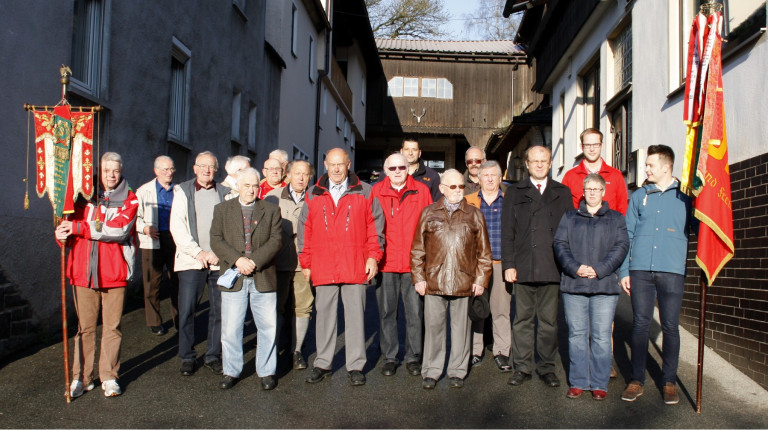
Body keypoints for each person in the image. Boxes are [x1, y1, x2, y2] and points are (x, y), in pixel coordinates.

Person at [298, 148, 384, 386]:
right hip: (323, 265)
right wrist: (306, 262)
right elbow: (305, 230)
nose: (336, 169)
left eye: (340, 164)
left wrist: (373, 257)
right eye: (332, 164)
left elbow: (375, 228)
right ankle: (323, 363)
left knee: (356, 318)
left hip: (355, 264)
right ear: (325, 164)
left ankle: (355, 365)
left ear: (348, 164)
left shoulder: (365, 191)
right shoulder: (313, 194)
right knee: (324, 317)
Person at [56, 152, 138, 398]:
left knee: (112, 328)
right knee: (85, 328)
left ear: (121, 171)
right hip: (82, 272)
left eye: (115, 170)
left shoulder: (130, 199)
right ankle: (81, 378)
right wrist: (61, 233)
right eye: (105, 171)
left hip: (114, 273)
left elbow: (118, 229)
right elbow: (67, 227)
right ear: (98, 171)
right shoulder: (80, 197)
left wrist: (79, 227)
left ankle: (110, 377)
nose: (110, 175)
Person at [619, 145, 693, 405]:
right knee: (640, 324)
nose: (646, 169)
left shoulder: (686, 195)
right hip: (640, 270)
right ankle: (636, 379)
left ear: (666, 167)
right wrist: (625, 270)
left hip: (672, 270)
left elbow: (700, 229)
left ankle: (669, 380)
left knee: (671, 326)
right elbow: (627, 233)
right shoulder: (640, 196)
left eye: (650, 165)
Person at [410, 169, 493, 389]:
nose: (458, 191)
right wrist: (418, 278)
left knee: (461, 330)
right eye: (453, 186)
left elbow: (484, 253)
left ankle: (457, 370)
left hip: (464, 280)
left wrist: (480, 280)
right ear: (442, 188)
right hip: (433, 281)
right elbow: (417, 249)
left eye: (461, 187)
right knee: (434, 328)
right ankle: (431, 370)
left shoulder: (474, 214)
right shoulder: (428, 212)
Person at [553, 173, 629, 400]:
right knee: (576, 334)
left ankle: (599, 383)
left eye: (597, 189)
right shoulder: (569, 217)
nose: (593, 193)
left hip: (604, 286)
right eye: (588, 189)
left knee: (601, 336)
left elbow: (622, 246)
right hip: (574, 284)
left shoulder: (616, 218)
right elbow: (560, 244)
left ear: (604, 192)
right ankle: (578, 381)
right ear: (583, 192)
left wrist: (601, 269)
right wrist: (574, 267)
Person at [501, 145, 572, 388]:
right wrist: (508, 264)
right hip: (522, 266)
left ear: (550, 163)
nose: (540, 165)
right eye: (535, 161)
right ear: (527, 165)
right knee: (522, 320)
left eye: (544, 161)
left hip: (552, 265)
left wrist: (568, 265)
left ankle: (547, 367)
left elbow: (569, 232)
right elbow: (507, 231)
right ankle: (522, 366)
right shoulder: (514, 192)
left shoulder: (562, 192)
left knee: (549, 322)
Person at [210, 167, 282, 391]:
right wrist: (237, 260)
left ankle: (267, 371)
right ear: (237, 186)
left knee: (268, 327)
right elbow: (216, 239)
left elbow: (276, 241)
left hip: (263, 276)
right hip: (234, 276)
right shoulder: (222, 210)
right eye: (247, 185)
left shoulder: (271, 210)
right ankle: (231, 370)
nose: (251, 190)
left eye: (255, 186)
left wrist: (254, 261)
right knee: (231, 329)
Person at [370, 153, 433, 377]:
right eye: (393, 168)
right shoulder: (375, 191)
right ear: (385, 170)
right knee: (387, 312)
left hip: (413, 264)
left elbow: (429, 228)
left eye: (402, 167)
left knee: (415, 313)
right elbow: (369, 227)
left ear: (409, 169)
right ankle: (390, 356)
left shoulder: (422, 191)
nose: (398, 171)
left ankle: (414, 356)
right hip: (385, 263)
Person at [170, 151, 230, 377]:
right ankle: (187, 355)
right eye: (202, 166)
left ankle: (213, 355)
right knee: (187, 310)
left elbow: (229, 228)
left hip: (218, 261)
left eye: (211, 166)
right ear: (194, 168)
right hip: (190, 261)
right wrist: (199, 253)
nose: (206, 170)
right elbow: (177, 227)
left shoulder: (225, 193)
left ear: (217, 170)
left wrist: (216, 253)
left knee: (219, 311)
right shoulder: (182, 191)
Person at [264, 160, 315, 370]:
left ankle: (297, 351)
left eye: (305, 174)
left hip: (303, 264)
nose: (301, 178)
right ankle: (272, 350)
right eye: (297, 173)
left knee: (303, 307)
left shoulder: (316, 198)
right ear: (288, 175)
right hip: (278, 263)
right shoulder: (272, 198)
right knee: (275, 307)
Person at [465, 160, 513, 372]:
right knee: (477, 309)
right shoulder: (468, 201)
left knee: (501, 309)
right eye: (486, 175)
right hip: (476, 265)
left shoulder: (509, 201)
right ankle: (475, 350)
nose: (490, 179)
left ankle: (502, 351)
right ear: (479, 178)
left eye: (494, 175)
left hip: (502, 263)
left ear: (500, 178)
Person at [135, 155, 179, 336]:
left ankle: (179, 319)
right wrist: (145, 228)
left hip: (174, 239)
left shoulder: (179, 190)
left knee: (177, 281)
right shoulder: (143, 191)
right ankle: (154, 321)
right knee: (152, 282)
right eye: (164, 169)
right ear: (156, 171)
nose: (169, 173)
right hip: (152, 239)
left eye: (171, 169)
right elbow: (134, 217)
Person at [562, 128, 628, 215]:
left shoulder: (615, 175)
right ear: (581, 147)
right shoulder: (570, 176)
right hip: (579, 226)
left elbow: (622, 209)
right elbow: (563, 208)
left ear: (602, 145)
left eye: (596, 145)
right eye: (588, 145)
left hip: (608, 227)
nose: (592, 149)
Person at [400, 136, 441, 201]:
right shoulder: (390, 173)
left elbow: (437, 204)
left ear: (419, 153)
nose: (410, 153)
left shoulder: (432, 175)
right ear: (401, 151)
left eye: (414, 150)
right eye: (407, 149)